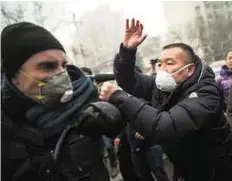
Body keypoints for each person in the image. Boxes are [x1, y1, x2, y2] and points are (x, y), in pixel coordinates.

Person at [99, 18, 232, 181]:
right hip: (187, 166)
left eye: (169, 63)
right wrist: (127, 50)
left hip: (216, 169)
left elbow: (166, 127)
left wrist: (120, 98)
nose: (162, 69)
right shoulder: (164, 86)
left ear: (189, 69)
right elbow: (129, 80)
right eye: (160, 64)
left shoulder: (206, 93)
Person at [1, 22, 124, 181]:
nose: (62, 74)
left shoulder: (84, 103)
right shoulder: (6, 132)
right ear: (14, 77)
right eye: (47, 66)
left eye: (64, 65)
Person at [216, 51, 232, 117]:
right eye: (230, 58)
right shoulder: (219, 79)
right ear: (226, 60)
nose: (231, 60)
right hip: (228, 115)